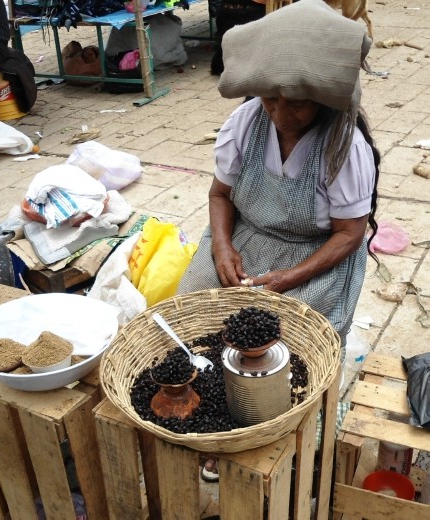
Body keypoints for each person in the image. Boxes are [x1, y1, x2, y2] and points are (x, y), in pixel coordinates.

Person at [177, 0, 380, 482]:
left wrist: (289, 278)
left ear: (326, 98)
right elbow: (220, 195)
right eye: (270, 99)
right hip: (247, 239)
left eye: (297, 102)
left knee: (293, 346)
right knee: (191, 310)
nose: (280, 113)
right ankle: (214, 419)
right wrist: (222, 247)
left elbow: (349, 233)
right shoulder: (246, 124)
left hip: (317, 256)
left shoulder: (344, 147)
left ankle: (277, 433)